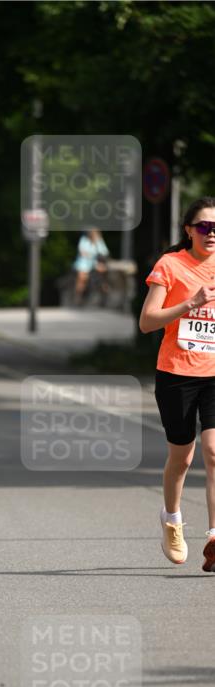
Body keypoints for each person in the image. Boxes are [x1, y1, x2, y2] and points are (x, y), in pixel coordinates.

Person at [139, 196, 215, 572]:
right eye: (204, 227)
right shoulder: (170, 266)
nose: (211, 233)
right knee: (182, 458)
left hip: (214, 373)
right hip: (177, 373)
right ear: (189, 230)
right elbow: (147, 321)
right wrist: (189, 303)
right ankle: (172, 520)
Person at [72, 229, 109, 305]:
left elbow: (105, 252)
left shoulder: (99, 241)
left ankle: (104, 295)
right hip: (84, 263)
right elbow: (82, 253)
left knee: (103, 272)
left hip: (94, 264)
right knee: (82, 278)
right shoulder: (84, 240)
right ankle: (78, 297)